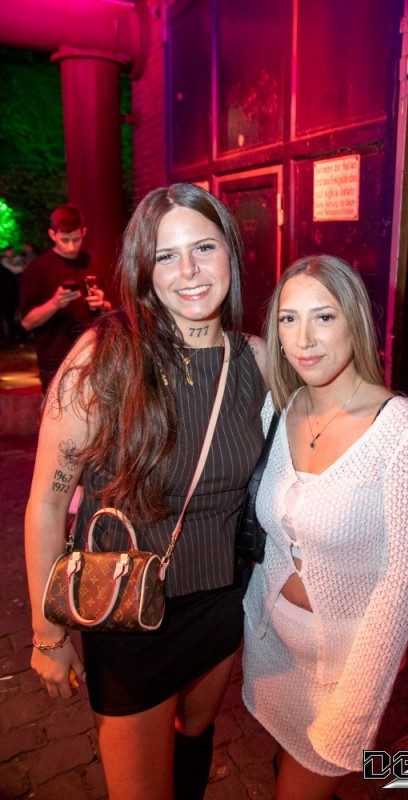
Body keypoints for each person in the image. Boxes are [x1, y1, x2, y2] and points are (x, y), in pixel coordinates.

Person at [24, 183, 267, 800]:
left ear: (230, 252)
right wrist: (49, 635)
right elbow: (47, 502)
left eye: (204, 247)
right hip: (126, 614)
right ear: (144, 269)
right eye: (166, 255)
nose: (189, 271)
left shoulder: (259, 361)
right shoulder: (103, 359)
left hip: (219, 601)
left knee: (195, 736)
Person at [242, 255, 408, 800]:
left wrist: (358, 703)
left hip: (344, 667)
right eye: (288, 319)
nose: (304, 339)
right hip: (271, 647)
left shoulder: (402, 432)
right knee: (288, 761)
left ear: (355, 321)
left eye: (324, 317)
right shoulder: (279, 409)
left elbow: (405, 583)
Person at [19, 204, 112, 392]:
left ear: (83, 232)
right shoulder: (38, 269)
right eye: (65, 240)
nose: (71, 246)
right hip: (55, 363)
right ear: (52, 235)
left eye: (76, 239)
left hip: (93, 358)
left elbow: (114, 310)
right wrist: (55, 303)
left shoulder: (93, 264)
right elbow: (27, 322)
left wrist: (102, 304)